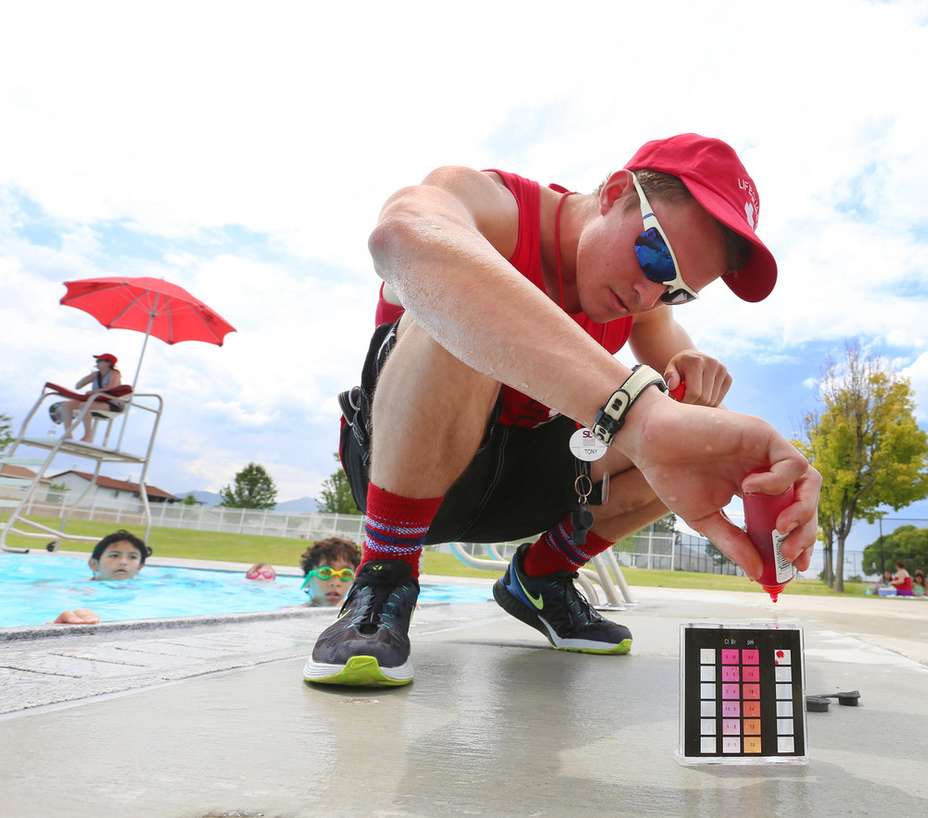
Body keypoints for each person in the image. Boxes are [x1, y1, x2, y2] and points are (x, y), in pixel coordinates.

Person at [303, 133, 821, 688]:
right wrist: (644, 418)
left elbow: (682, 395)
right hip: (397, 462)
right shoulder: (492, 204)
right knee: (463, 292)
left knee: (694, 432)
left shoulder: (639, 304)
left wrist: (699, 390)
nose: (650, 296)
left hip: (520, 484)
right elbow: (403, 235)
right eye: (654, 255)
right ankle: (385, 574)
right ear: (616, 192)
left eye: (676, 292)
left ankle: (542, 577)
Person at [51, 529, 152, 625]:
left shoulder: (147, 589)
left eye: (133, 557)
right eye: (114, 555)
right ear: (93, 564)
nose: (123, 562)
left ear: (140, 566)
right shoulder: (76, 589)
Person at [52, 353, 124, 443]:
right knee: (67, 405)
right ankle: (68, 435)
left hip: (113, 404)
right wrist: (89, 377)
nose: (96, 362)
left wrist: (94, 392)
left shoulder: (115, 373)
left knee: (84, 405)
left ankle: (88, 437)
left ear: (108, 363)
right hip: (96, 401)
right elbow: (78, 386)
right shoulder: (96, 375)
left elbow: (111, 387)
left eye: (99, 361)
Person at [300, 538, 360, 607]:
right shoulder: (291, 615)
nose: (336, 583)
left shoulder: (361, 615)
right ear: (308, 580)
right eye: (326, 572)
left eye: (345, 574)